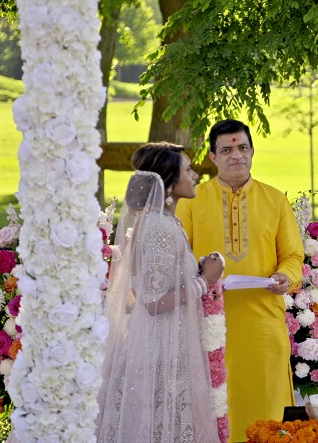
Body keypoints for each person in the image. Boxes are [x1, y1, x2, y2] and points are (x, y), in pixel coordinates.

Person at [176, 120, 304, 441]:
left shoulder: (275, 200)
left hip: (263, 325)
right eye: (227, 150)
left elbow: (293, 256)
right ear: (212, 156)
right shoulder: (192, 200)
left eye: (243, 148)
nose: (237, 155)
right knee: (217, 408)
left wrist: (284, 277)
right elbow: (179, 258)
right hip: (210, 323)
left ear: (252, 152)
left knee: (267, 412)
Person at [96, 142, 225, 442]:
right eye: (188, 170)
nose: (195, 175)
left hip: (167, 341)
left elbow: (161, 281)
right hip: (160, 347)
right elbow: (153, 301)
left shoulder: (164, 222)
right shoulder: (159, 228)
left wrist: (199, 269)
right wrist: (204, 282)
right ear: (167, 181)